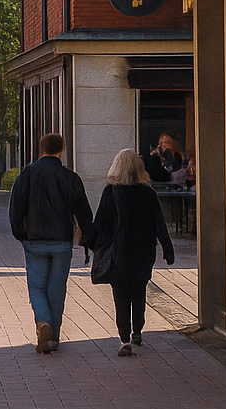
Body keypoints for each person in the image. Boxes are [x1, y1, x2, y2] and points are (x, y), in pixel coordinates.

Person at [83, 149, 175, 356]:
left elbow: (101, 223)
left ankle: (124, 338)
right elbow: (159, 224)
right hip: (143, 251)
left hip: (118, 252)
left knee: (120, 295)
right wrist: (168, 250)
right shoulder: (148, 194)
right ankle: (138, 331)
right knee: (139, 291)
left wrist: (92, 245)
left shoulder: (111, 192)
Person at [10, 132, 95, 354]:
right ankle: (53, 335)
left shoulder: (27, 174)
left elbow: (16, 206)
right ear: (62, 149)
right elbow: (83, 211)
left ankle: (43, 322)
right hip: (61, 241)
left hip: (34, 240)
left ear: (41, 149)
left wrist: (20, 233)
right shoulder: (69, 177)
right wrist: (89, 237)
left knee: (36, 286)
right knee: (57, 289)